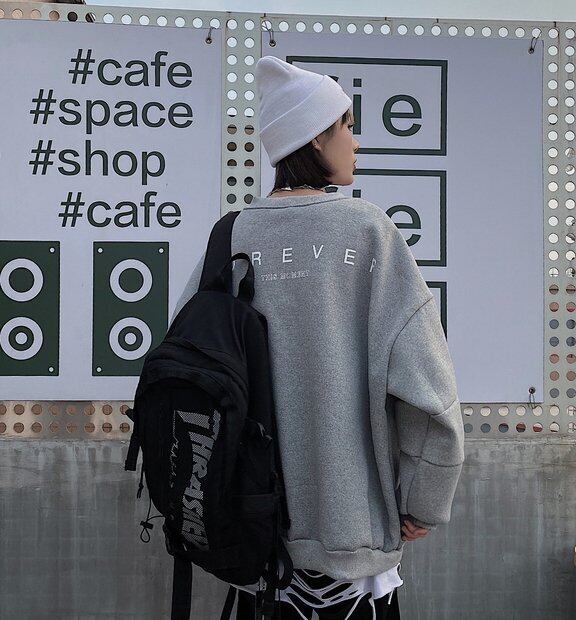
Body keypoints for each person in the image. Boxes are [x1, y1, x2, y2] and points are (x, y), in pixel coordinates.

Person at [171, 56, 465, 620]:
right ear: (314, 136)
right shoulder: (370, 232)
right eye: (347, 125)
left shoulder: (232, 235)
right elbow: (428, 389)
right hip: (351, 538)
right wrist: (423, 498)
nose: (356, 141)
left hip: (252, 533)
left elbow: (190, 371)